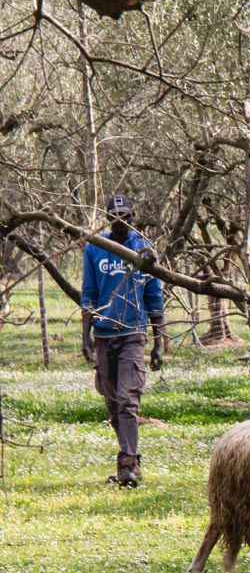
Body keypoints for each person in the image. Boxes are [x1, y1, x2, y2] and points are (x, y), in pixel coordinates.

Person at [81, 194, 164, 488]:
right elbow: (89, 292)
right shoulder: (95, 248)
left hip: (132, 333)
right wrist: (86, 336)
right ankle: (133, 458)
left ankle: (127, 462)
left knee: (129, 399)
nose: (120, 221)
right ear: (108, 218)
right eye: (114, 216)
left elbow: (154, 297)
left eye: (125, 216)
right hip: (104, 334)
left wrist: (158, 343)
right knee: (114, 403)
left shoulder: (143, 249)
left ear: (132, 217)